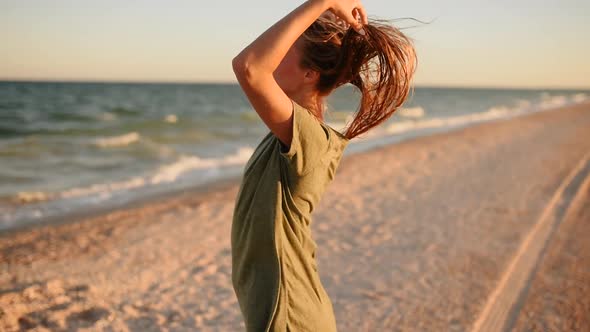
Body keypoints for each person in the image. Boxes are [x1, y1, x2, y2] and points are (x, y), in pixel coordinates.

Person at [230, 0, 416, 331]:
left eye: (285, 49)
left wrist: (323, 1)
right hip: (289, 311)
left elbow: (249, 67)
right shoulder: (288, 135)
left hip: (290, 317)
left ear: (310, 73)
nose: (275, 54)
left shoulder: (309, 138)